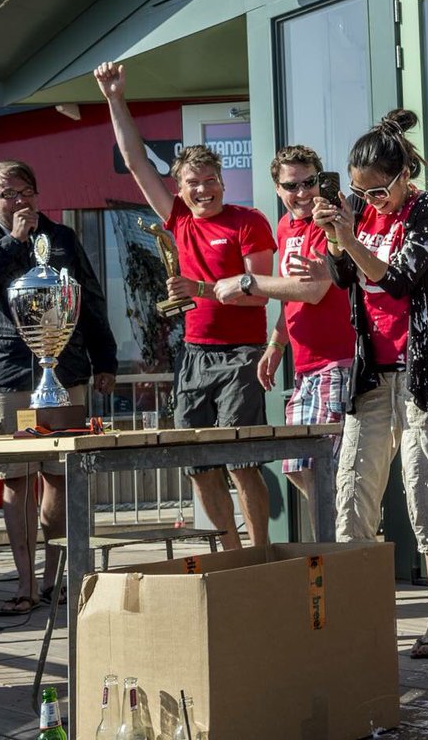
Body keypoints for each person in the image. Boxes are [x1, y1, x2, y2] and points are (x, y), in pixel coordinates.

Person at [95, 62, 276, 552]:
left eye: (210, 179)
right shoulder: (176, 218)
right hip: (194, 354)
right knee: (199, 465)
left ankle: (259, 555)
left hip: (242, 353)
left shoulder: (249, 221)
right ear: (180, 189)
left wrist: (199, 288)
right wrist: (115, 98)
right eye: (193, 182)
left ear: (223, 180)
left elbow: (262, 290)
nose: (203, 189)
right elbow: (135, 162)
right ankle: (230, 555)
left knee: (241, 460)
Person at [312, 109, 428, 659]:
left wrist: (349, 237)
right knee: (352, 489)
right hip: (371, 371)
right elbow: (346, 276)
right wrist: (335, 237)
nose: (370, 202)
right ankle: (359, 618)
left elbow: (396, 281)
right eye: (358, 193)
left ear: (403, 176)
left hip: (422, 369)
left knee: (423, 487)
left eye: (377, 193)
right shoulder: (360, 219)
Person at [0, 161, 117, 615]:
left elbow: (90, 297)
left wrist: (105, 359)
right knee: (15, 479)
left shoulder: (62, 237)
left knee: (60, 476)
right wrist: (13, 242)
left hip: (64, 373)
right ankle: (23, 584)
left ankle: (53, 580)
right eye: (9, 193)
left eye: (28, 190)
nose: (21, 200)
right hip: (2, 375)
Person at [213, 145, 355, 526]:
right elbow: (289, 293)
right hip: (306, 367)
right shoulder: (284, 226)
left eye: (309, 182)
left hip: (338, 361)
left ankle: (342, 545)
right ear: (277, 188)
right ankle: (340, 537)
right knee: (297, 466)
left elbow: (313, 290)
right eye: (292, 186)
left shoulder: (330, 220)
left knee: (325, 467)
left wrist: (247, 282)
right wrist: (276, 344)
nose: (302, 193)